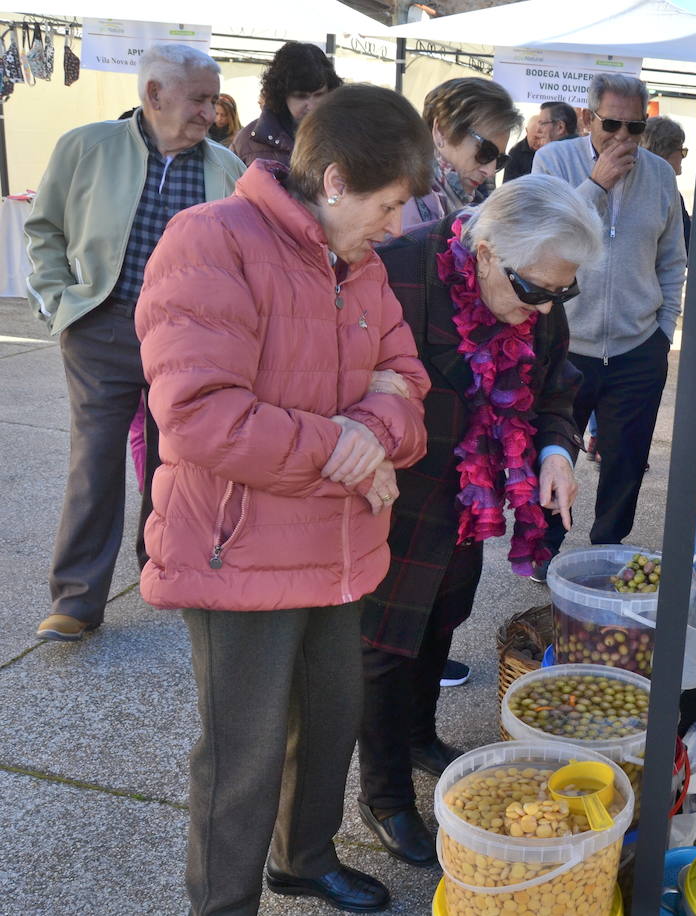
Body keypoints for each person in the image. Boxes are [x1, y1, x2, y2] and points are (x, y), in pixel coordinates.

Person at [136, 84, 432, 915]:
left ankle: (303, 858)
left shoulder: (362, 266)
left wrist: (374, 426)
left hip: (338, 546)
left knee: (330, 723)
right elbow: (198, 417)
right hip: (241, 549)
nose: (398, 225)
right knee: (243, 756)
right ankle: (222, 903)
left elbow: (410, 384)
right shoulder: (211, 241)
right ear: (335, 181)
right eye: (389, 204)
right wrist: (347, 445)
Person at [357, 174, 598, 865]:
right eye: (537, 291)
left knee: (444, 615)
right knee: (384, 643)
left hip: (471, 493)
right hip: (395, 491)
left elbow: (556, 387)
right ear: (486, 252)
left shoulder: (536, 285)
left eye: (564, 293)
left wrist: (555, 450)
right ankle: (384, 797)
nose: (547, 306)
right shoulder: (396, 269)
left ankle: (418, 735)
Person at [25, 43, 245, 642]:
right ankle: (75, 599)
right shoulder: (86, 145)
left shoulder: (228, 169)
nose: (211, 110)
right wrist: (60, 303)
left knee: (175, 461)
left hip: (188, 341)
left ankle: (163, 568)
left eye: (213, 98)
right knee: (95, 462)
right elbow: (44, 229)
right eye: (200, 98)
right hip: (102, 324)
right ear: (154, 94)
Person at [531, 73, 686, 576]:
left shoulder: (660, 175)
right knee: (555, 450)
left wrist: (664, 330)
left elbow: (671, 260)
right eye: (612, 124)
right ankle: (543, 547)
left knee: (625, 460)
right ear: (587, 118)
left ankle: (605, 552)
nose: (623, 139)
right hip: (566, 341)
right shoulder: (554, 161)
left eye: (634, 128)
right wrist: (596, 184)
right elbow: (545, 237)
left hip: (638, 344)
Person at [401, 76, 521, 231]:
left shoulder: (467, 204)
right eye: (485, 152)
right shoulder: (404, 198)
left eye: (500, 160)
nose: (490, 171)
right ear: (442, 131)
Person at [231, 41, 340, 167]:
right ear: (282, 96)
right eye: (301, 96)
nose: (311, 106)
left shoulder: (348, 135)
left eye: (319, 94)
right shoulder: (246, 142)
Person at [640, 114, 691, 250]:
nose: (683, 157)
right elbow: (687, 246)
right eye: (682, 151)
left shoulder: (630, 185)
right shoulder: (667, 193)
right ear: (665, 151)